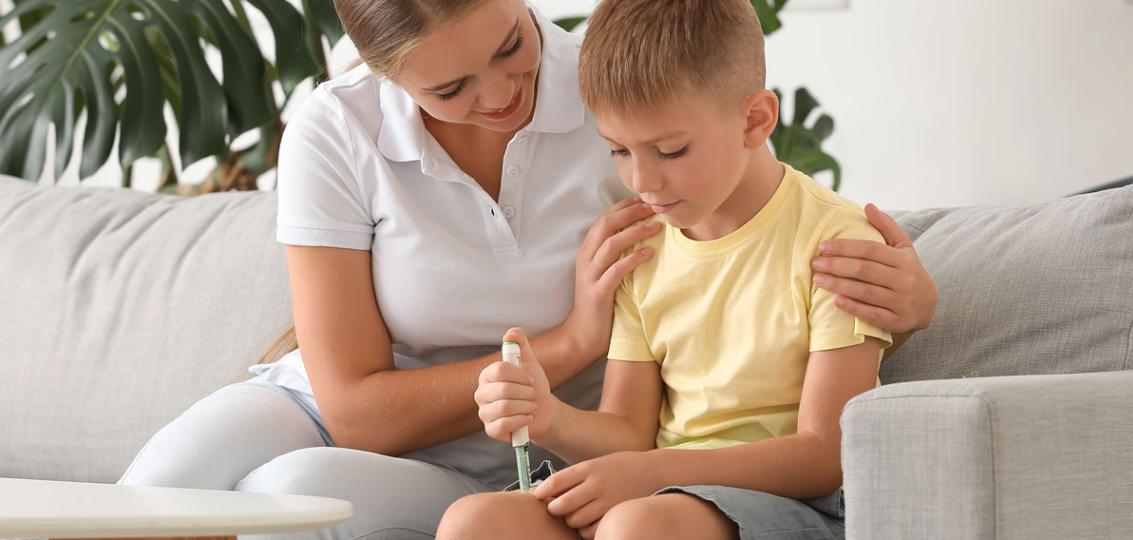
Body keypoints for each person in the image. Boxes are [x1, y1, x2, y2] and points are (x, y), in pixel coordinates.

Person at [117, 1, 937, 538]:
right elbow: (355, 408)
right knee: (151, 494)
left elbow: (754, 206)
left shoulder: (611, 91)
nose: (505, 90)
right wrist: (574, 338)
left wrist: (915, 294)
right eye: (450, 86)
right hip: (374, 409)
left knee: (284, 499)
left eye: (511, 46)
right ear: (388, 81)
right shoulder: (338, 128)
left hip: (528, 449)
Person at [437, 1, 898, 539]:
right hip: (652, 498)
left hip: (786, 503)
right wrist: (548, 417)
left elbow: (824, 455)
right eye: (617, 151)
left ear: (755, 120)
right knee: (476, 523)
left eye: (670, 150)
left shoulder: (835, 243)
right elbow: (628, 432)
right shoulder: (644, 246)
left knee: (638, 526)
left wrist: (653, 472)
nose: (641, 180)